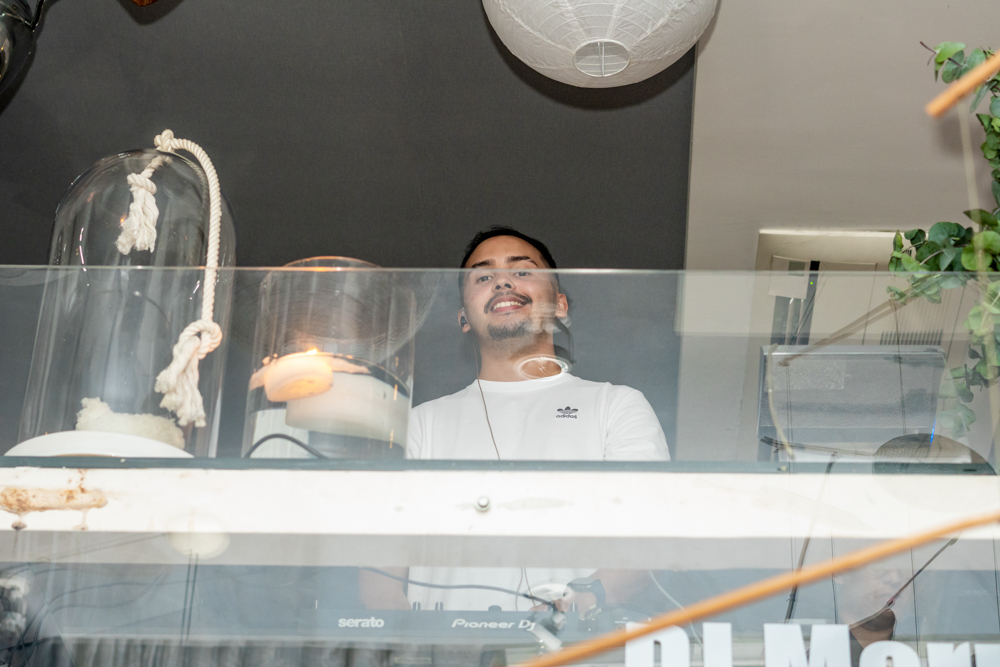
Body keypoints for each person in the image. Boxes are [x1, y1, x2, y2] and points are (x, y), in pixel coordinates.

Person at [359, 226, 669, 612]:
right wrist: (418, 639)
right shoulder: (419, 425)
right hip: (444, 644)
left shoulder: (615, 406)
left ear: (560, 305)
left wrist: (579, 603)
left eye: (522, 271)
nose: (503, 282)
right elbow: (379, 580)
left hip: (574, 642)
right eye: (483, 277)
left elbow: (649, 540)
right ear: (463, 318)